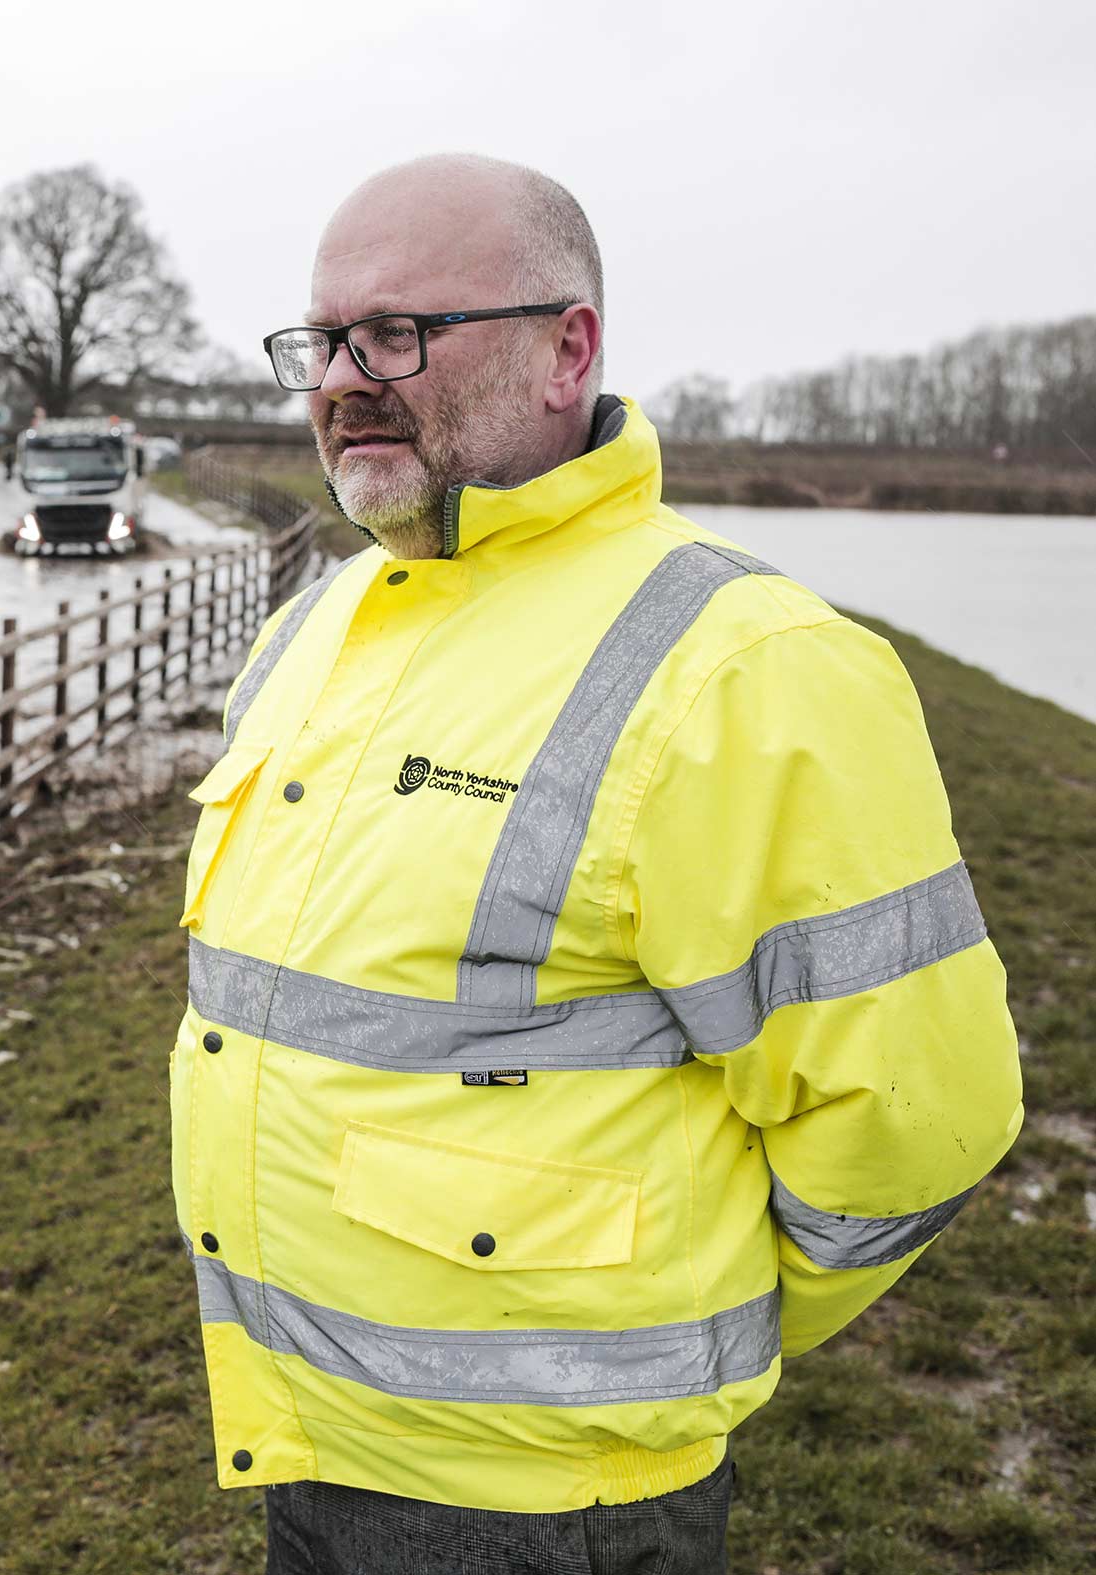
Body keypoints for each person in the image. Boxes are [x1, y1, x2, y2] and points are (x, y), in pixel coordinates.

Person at [170, 154, 1022, 1575]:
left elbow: (912, 1120)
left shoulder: (744, 666)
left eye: (396, 333)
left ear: (568, 346)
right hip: (303, 1432)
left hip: (548, 1505)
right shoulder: (323, 622)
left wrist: (681, 1323)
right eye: (319, 340)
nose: (339, 380)